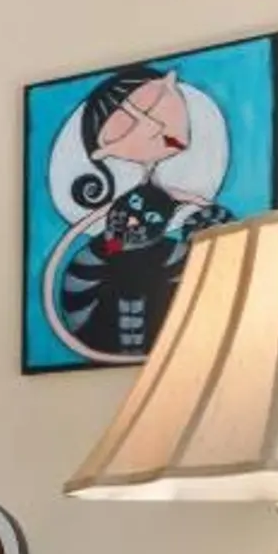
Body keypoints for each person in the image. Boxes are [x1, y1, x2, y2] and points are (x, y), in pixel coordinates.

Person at [41, 63, 234, 363]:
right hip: (100, 318)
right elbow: (114, 244)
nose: (160, 133)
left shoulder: (171, 233)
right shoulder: (110, 246)